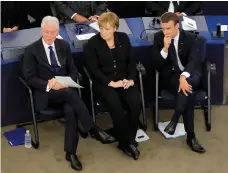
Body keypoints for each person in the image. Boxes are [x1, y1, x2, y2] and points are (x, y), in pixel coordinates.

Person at [22, 16, 115, 171]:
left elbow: (73, 71)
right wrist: (49, 84)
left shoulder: (64, 45)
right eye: (46, 32)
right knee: (71, 95)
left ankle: (70, 153)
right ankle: (92, 128)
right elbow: (29, 78)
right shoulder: (31, 50)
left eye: (53, 32)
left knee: (70, 109)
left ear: (58, 31)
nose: (49, 35)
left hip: (64, 90)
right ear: (41, 30)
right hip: (46, 94)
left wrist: (64, 82)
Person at [84, 12, 141, 160]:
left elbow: (131, 62)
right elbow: (94, 70)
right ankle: (124, 143)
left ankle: (131, 138)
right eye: (101, 28)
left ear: (115, 28)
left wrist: (131, 79)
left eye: (107, 29)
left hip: (123, 80)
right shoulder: (92, 43)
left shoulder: (123, 38)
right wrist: (111, 83)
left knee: (135, 102)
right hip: (104, 83)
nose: (103, 32)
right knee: (115, 104)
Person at [152, 12, 205, 153]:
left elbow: (194, 61)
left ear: (177, 26)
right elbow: (156, 65)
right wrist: (164, 49)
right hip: (172, 77)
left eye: (168, 28)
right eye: (163, 28)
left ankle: (174, 120)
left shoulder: (191, 38)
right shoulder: (159, 38)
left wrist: (183, 77)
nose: (165, 32)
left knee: (188, 85)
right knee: (189, 92)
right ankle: (191, 136)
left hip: (191, 73)